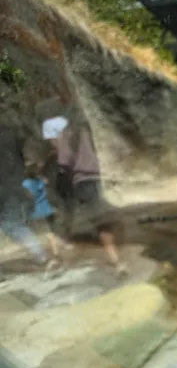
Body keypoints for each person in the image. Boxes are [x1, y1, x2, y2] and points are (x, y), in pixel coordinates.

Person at [56, 117, 127, 276]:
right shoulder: (92, 130)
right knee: (108, 217)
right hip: (101, 178)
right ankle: (116, 256)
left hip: (83, 183)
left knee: (102, 223)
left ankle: (117, 261)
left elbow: (64, 165)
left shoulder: (66, 136)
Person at [0, 122, 49, 269]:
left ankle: (41, 255)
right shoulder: (9, 131)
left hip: (7, 187)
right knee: (15, 224)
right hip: (16, 184)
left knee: (13, 225)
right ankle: (41, 255)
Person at [22, 160, 66, 271]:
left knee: (46, 234)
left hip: (37, 212)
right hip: (47, 209)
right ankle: (57, 253)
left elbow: (27, 198)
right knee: (51, 233)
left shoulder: (25, 184)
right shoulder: (39, 181)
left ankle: (53, 257)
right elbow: (46, 183)